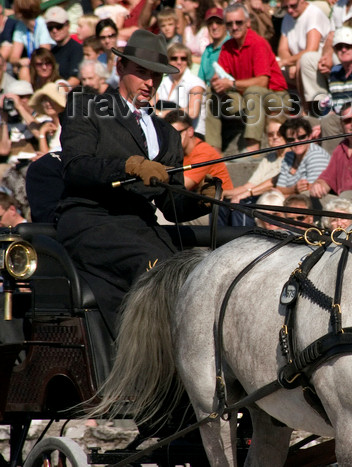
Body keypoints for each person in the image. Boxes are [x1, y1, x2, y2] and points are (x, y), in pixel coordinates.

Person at [56, 30, 211, 324]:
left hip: (141, 226)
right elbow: (75, 167)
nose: (150, 83)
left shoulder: (167, 134)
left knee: (193, 273)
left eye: (156, 75)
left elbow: (170, 203)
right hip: (92, 220)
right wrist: (128, 165)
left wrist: (202, 199)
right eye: (141, 72)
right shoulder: (86, 107)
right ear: (120, 68)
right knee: (157, 268)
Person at [210, 3, 290, 154]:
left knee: (253, 91)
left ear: (248, 23)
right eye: (229, 23)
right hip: (245, 97)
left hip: (276, 97)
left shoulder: (258, 43)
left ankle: (253, 149)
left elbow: (262, 82)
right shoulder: (227, 46)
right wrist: (217, 83)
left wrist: (231, 83)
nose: (234, 27)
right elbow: (221, 75)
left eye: (238, 22)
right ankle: (213, 152)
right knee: (210, 93)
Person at [309, 101, 352, 199]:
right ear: (341, 125)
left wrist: (346, 197)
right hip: (340, 200)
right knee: (306, 195)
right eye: (347, 121)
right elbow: (327, 178)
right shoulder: (341, 147)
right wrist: (318, 185)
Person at [277, 0, 330, 109]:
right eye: (285, 7)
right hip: (295, 62)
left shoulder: (313, 14)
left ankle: (310, 109)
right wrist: (290, 64)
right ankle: (281, 108)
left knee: (303, 61)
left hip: (316, 62)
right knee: (271, 65)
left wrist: (286, 62)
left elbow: (311, 49)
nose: (290, 10)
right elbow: (282, 49)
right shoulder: (287, 17)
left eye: (293, 6)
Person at [222, 115, 287, 203]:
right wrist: (224, 193)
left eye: (279, 133)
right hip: (256, 196)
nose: (275, 137)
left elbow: (272, 184)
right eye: (270, 134)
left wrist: (246, 194)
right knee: (223, 204)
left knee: (240, 205)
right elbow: (248, 186)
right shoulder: (269, 158)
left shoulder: (291, 157)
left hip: (273, 199)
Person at [163, 110, 233, 191]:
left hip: (220, 200)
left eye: (176, 134)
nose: (172, 139)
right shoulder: (177, 152)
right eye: (169, 135)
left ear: (190, 131)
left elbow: (181, 186)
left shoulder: (205, 153)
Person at [157, 43, 206, 137]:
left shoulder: (195, 82)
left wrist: (163, 113)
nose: (179, 62)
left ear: (188, 61)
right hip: (167, 133)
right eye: (174, 58)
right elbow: (149, 107)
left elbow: (193, 112)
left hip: (191, 134)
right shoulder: (163, 81)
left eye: (183, 58)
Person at [276, 117, 330, 196]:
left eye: (301, 137)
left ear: (309, 136)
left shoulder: (316, 156)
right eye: (291, 140)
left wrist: (286, 192)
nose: (297, 142)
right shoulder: (289, 156)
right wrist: (294, 189)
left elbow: (310, 192)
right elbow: (279, 188)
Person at [10, 0, 54, 72]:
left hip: (46, 65)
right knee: (18, 69)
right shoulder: (20, 26)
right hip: (32, 64)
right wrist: (19, 62)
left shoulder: (42, 24)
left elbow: (44, 55)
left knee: (24, 71)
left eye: (14, 6)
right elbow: (13, 58)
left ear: (21, 12)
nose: (12, 8)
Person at [45, 6, 82, 87]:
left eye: (58, 26)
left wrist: (58, 89)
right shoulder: (52, 52)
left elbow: (75, 79)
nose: (54, 30)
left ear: (68, 25)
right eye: (50, 27)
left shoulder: (77, 49)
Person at [28, 81, 66, 154]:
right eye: (45, 100)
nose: (48, 104)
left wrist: (42, 133)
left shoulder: (66, 125)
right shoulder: (49, 125)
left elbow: (47, 157)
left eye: (51, 100)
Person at [198, 7, 228, 86]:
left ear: (226, 24)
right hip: (207, 92)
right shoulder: (207, 50)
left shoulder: (231, 45)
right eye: (210, 23)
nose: (214, 26)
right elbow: (200, 79)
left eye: (219, 22)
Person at [96, 19, 120, 88]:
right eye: (103, 37)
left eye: (111, 36)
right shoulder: (100, 59)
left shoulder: (123, 58)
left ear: (117, 34)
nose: (107, 41)